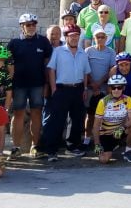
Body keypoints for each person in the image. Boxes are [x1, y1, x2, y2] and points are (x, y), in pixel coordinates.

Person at [7, 13, 52, 160]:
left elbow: (47, 65)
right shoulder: (13, 43)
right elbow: (8, 67)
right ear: (22, 27)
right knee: (18, 115)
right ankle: (16, 147)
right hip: (19, 86)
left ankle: (35, 146)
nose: (31, 27)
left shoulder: (43, 42)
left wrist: (46, 85)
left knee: (36, 114)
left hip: (37, 85)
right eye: (28, 25)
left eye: (33, 24)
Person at [43, 24, 91, 161]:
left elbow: (86, 72)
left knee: (76, 120)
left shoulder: (83, 52)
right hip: (61, 89)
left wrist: (85, 88)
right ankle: (52, 150)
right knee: (57, 120)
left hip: (78, 89)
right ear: (66, 37)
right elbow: (51, 69)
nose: (75, 38)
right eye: (71, 36)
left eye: (76, 35)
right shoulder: (58, 51)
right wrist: (53, 88)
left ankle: (72, 147)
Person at [92, 74, 131, 163]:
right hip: (106, 134)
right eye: (113, 87)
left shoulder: (128, 100)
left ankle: (128, 151)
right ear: (110, 88)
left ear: (123, 88)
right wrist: (96, 144)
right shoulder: (103, 102)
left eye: (119, 87)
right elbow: (96, 126)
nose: (116, 90)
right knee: (104, 160)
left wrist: (122, 127)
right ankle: (113, 146)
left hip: (119, 131)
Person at [83, 28, 116, 150]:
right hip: (91, 88)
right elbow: (85, 69)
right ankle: (87, 139)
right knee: (90, 115)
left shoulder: (111, 52)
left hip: (104, 88)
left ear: (106, 39)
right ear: (94, 38)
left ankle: (104, 139)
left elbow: (112, 69)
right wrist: (92, 83)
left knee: (105, 115)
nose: (100, 39)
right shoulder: (88, 51)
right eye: (98, 37)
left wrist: (100, 83)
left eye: (103, 37)